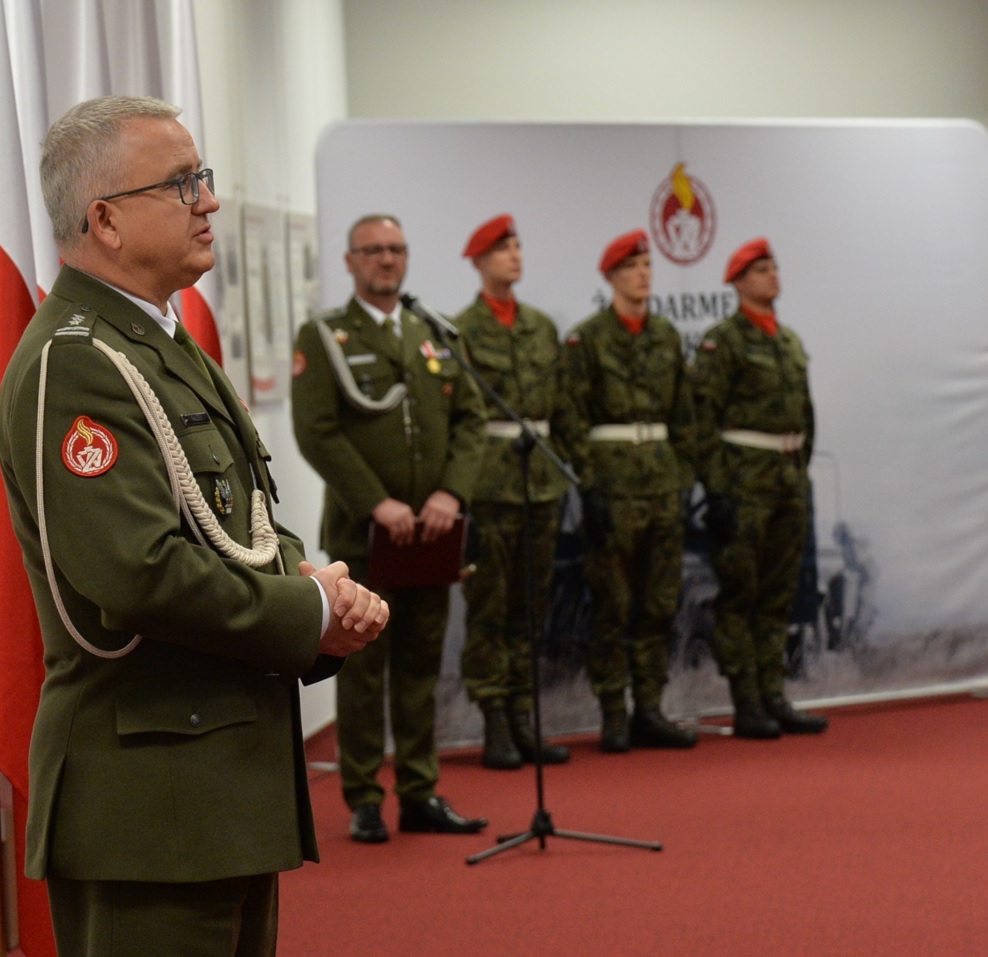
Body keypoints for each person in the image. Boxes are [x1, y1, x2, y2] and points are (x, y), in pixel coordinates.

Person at [0, 96, 388, 957]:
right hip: (149, 798)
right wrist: (307, 610)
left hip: (215, 781)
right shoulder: (77, 361)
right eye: (180, 184)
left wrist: (315, 588)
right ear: (104, 220)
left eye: (201, 178)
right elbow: (137, 574)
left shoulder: (160, 343)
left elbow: (242, 521)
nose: (208, 200)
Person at [290, 214, 489, 843]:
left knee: (420, 667)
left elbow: (472, 421)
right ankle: (364, 797)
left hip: (431, 533)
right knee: (362, 672)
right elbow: (316, 431)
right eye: (373, 250)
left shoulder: (436, 333)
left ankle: (420, 790)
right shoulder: (325, 336)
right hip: (365, 536)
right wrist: (376, 502)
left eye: (396, 249)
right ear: (350, 261)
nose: (386, 260)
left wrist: (451, 493)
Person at [558, 229, 700, 753]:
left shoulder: (666, 336)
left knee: (658, 604)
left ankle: (650, 708)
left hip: (661, 485)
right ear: (612, 277)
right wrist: (589, 486)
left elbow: (684, 416)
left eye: (647, 266)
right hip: (612, 489)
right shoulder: (587, 340)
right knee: (612, 605)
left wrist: (684, 480)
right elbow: (571, 417)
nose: (643, 275)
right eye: (633, 267)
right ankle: (614, 713)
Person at [693, 237, 829, 738]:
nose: (773, 276)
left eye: (774, 267)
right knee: (741, 593)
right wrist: (718, 490)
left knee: (778, 593)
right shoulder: (723, 342)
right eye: (761, 270)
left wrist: (799, 469)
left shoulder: (788, 341)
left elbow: (806, 415)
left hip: (787, 479)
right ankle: (746, 701)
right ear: (738, 282)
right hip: (745, 481)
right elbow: (703, 420)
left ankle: (774, 693)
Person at [451, 214, 572, 770]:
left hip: (540, 483)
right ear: (479, 262)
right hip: (489, 486)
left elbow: (562, 407)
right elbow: (458, 415)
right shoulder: (461, 331)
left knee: (532, 605)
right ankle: (495, 718)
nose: (515, 257)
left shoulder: (542, 328)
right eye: (503, 249)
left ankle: (524, 715)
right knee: (490, 607)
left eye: (519, 247)